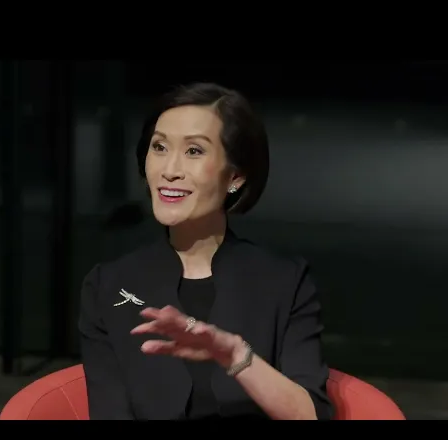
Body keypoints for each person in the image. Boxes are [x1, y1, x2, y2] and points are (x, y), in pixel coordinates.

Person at [79, 82, 333, 420]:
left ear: (236, 177)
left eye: (194, 151)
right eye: (159, 147)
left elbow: (311, 414)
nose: (170, 170)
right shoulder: (107, 286)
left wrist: (235, 356)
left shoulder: (286, 281)